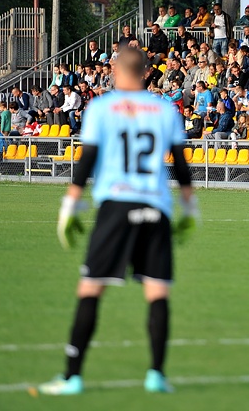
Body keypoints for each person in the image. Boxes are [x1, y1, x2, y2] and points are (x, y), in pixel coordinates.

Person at [34, 47, 197, 396]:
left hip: (116, 206)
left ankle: (72, 376)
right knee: (157, 291)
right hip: (156, 208)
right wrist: (190, 207)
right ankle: (156, 374)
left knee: (91, 288)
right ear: (146, 73)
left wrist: (69, 205)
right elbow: (181, 164)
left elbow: (88, 159)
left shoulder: (102, 107)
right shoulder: (165, 109)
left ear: (117, 70)